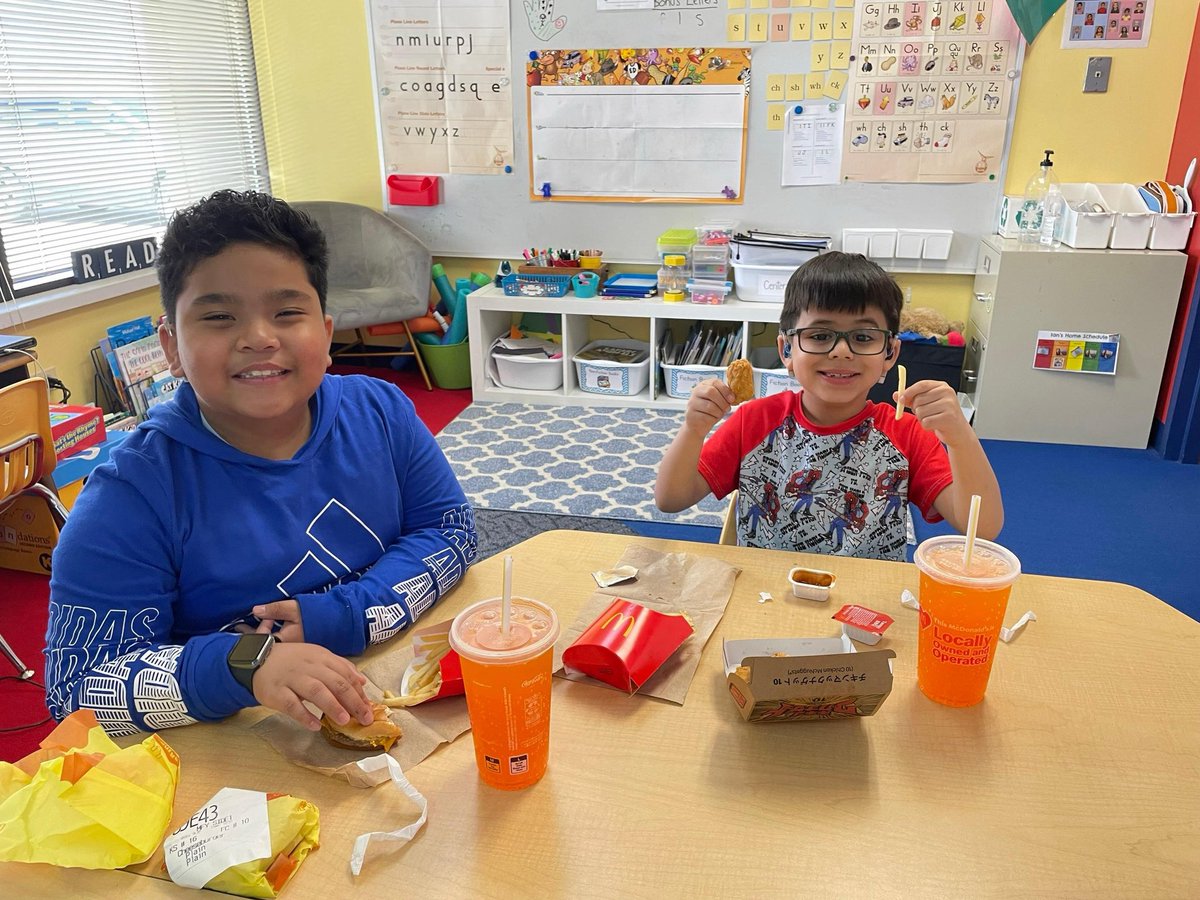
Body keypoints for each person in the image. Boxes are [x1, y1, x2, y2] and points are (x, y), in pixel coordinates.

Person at [45, 190, 477, 737]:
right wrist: (245, 665)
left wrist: (347, 614)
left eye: (287, 312)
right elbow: (76, 693)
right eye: (220, 316)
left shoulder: (380, 412)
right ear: (171, 345)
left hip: (398, 701)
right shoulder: (130, 495)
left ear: (325, 331)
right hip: (236, 765)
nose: (258, 338)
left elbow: (450, 530)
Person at [655, 252, 1002, 560]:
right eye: (820, 336)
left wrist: (960, 438)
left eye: (863, 337)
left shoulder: (906, 433)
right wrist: (693, 430)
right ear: (787, 351)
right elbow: (670, 499)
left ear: (889, 354)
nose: (841, 351)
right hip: (768, 596)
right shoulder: (754, 421)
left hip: (865, 607)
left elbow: (982, 528)